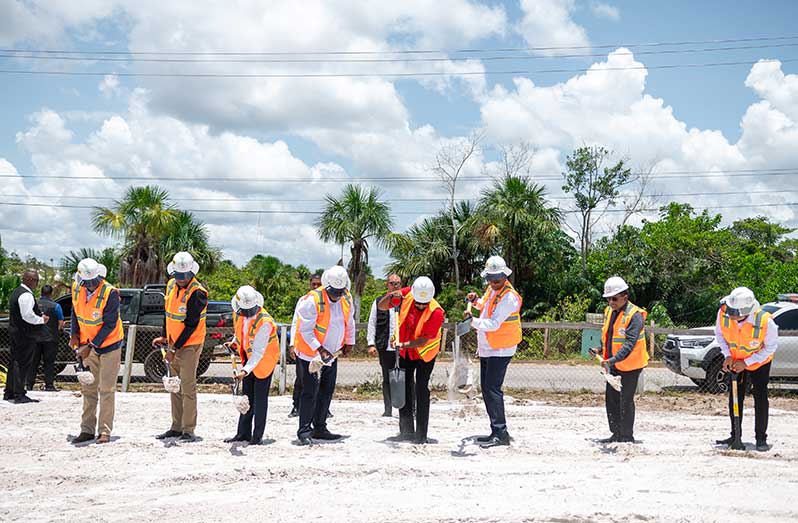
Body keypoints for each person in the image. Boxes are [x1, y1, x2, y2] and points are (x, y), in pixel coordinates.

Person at [378, 276, 444, 445]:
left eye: (424, 303)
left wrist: (403, 344)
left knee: (421, 389)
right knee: (404, 388)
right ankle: (406, 430)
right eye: (418, 302)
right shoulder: (407, 294)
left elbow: (423, 341)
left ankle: (421, 434)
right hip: (406, 353)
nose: (421, 306)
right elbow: (382, 306)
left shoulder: (436, 312)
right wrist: (393, 294)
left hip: (424, 354)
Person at [293, 265, 355, 445]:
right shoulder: (311, 300)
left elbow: (349, 322)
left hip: (332, 355)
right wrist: (320, 350)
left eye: (339, 291)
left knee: (326, 391)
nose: (336, 295)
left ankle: (320, 427)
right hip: (310, 355)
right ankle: (304, 430)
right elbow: (304, 330)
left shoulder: (346, 298)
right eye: (333, 292)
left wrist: (349, 342)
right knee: (310, 392)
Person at [465, 256, 522, 448]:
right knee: (487, 389)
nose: (493, 282)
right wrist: (475, 302)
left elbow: (494, 323)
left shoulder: (509, 297)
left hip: (501, 348)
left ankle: (501, 432)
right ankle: (495, 430)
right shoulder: (493, 289)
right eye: (490, 279)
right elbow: (486, 307)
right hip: (489, 347)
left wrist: (471, 322)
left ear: (505, 276)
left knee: (492, 390)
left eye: (497, 279)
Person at [152, 252, 209, 443]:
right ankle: (176, 426)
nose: (181, 279)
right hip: (173, 343)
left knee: (187, 387)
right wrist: (164, 335)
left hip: (189, 345)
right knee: (174, 386)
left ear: (191, 273)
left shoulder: (198, 293)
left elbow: (190, 324)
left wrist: (173, 349)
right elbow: (168, 314)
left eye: (184, 276)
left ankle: (188, 429)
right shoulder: (171, 285)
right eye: (178, 275)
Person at [714, 287, 778, 452]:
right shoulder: (723, 313)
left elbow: (770, 348)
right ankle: (735, 435)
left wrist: (747, 362)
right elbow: (720, 335)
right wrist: (727, 355)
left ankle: (761, 438)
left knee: (760, 397)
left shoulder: (765, 321)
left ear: (746, 311)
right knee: (735, 397)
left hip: (759, 362)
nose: (730, 314)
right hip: (735, 360)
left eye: (734, 312)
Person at [69, 259, 124, 444]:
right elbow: (76, 312)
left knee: (106, 389)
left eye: (94, 281)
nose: (91, 285)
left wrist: (90, 347)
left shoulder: (111, 293)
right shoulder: (77, 288)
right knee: (88, 388)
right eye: (88, 282)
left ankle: (104, 432)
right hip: (87, 344)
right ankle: (86, 430)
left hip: (109, 345)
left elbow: (109, 324)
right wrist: (74, 334)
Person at [224, 286, 280, 445]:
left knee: (260, 400)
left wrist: (244, 371)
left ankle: (257, 436)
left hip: (263, 362)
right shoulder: (240, 314)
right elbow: (241, 332)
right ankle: (243, 433)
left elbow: (259, 352)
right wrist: (234, 342)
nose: (248, 314)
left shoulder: (265, 322)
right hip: (248, 360)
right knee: (247, 398)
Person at [595, 276, 648, 444]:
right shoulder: (609, 312)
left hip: (631, 365)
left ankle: (626, 437)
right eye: (608, 298)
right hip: (614, 364)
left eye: (614, 298)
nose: (611, 302)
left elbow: (629, 344)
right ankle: (616, 433)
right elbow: (608, 336)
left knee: (625, 400)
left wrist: (611, 360)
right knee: (611, 400)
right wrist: (600, 349)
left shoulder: (635, 315)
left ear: (625, 296)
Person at [4, 270, 47, 404]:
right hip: (25, 334)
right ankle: (19, 393)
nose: (37, 283)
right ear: (29, 280)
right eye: (36, 280)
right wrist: (41, 320)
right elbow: (27, 315)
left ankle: (9, 392)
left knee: (15, 362)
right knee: (22, 363)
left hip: (16, 332)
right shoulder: (26, 295)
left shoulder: (16, 292)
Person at [367, 273, 402, 417]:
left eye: (397, 283)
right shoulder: (378, 301)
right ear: (387, 284)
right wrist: (371, 343)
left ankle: (407, 409)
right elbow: (372, 322)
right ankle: (388, 410)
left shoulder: (405, 301)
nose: (395, 286)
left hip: (403, 347)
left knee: (405, 378)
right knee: (387, 379)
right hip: (384, 346)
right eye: (392, 283)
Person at [288, 273, 322, 418]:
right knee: (301, 378)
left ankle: (321, 408)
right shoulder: (304, 300)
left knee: (321, 379)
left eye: (318, 284)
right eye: (313, 284)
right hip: (303, 346)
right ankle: (296, 406)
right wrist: (292, 345)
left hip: (320, 347)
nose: (315, 287)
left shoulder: (327, 302)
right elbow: (296, 322)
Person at [26, 284, 65, 392]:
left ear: (41, 292)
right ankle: (49, 385)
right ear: (51, 293)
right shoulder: (56, 306)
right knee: (49, 362)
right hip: (51, 339)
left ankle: (29, 385)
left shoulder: (34, 305)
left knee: (33, 362)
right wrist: (58, 329)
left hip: (35, 338)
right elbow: (61, 322)